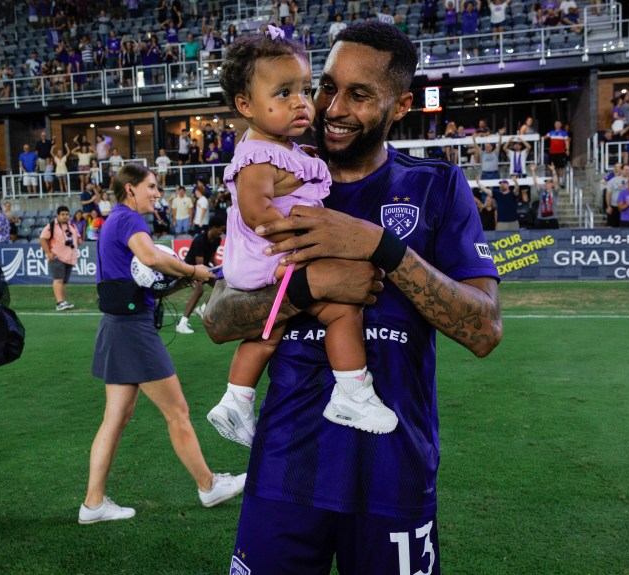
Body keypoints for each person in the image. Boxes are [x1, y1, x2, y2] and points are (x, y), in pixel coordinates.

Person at [203, 21, 502, 573]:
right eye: (326, 87)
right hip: (284, 471)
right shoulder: (278, 169)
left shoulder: (436, 186)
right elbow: (219, 319)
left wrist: (381, 247)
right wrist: (309, 287)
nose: (332, 108)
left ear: (401, 105)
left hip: (394, 473)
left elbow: (484, 330)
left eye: (359, 95)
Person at [208, 24, 399, 448]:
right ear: (245, 104)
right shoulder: (257, 157)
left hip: (268, 256)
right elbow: (256, 212)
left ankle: (236, 400)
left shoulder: (283, 148)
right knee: (342, 310)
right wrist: (306, 234)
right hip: (269, 254)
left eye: (305, 90)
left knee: (267, 333)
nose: (301, 102)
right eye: (283, 93)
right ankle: (352, 392)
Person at [79, 163, 245, 524]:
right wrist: (193, 271)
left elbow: (140, 279)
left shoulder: (115, 220)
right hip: (133, 330)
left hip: (117, 326)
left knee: (115, 419)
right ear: (130, 189)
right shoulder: (128, 219)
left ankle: (93, 504)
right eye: (152, 186)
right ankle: (208, 485)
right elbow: (152, 258)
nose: (157, 193)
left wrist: (180, 280)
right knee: (177, 411)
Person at [175, 214, 226, 334]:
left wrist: (220, 269)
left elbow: (211, 257)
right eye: (220, 230)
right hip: (190, 270)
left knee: (222, 286)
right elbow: (199, 266)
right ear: (213, 228)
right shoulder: (199, 240)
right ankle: (181, 324)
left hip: (203, 269)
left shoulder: (217, 240)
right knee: (199, 290)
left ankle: (203, 309)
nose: (222, 232)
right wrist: (213, 273)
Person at [40, 205, 81, 311]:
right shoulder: (51, 225)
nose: (65, 216)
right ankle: (59, 303)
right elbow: (42, 239)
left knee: (64, 281)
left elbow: (78, 239)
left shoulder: (72, 225)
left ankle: (63, 301)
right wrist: (48, 253)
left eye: (67, 214)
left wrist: (77, 241)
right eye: (62, 214)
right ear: (58, 215)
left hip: (69, 257)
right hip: (57, 256)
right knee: (58, 279)